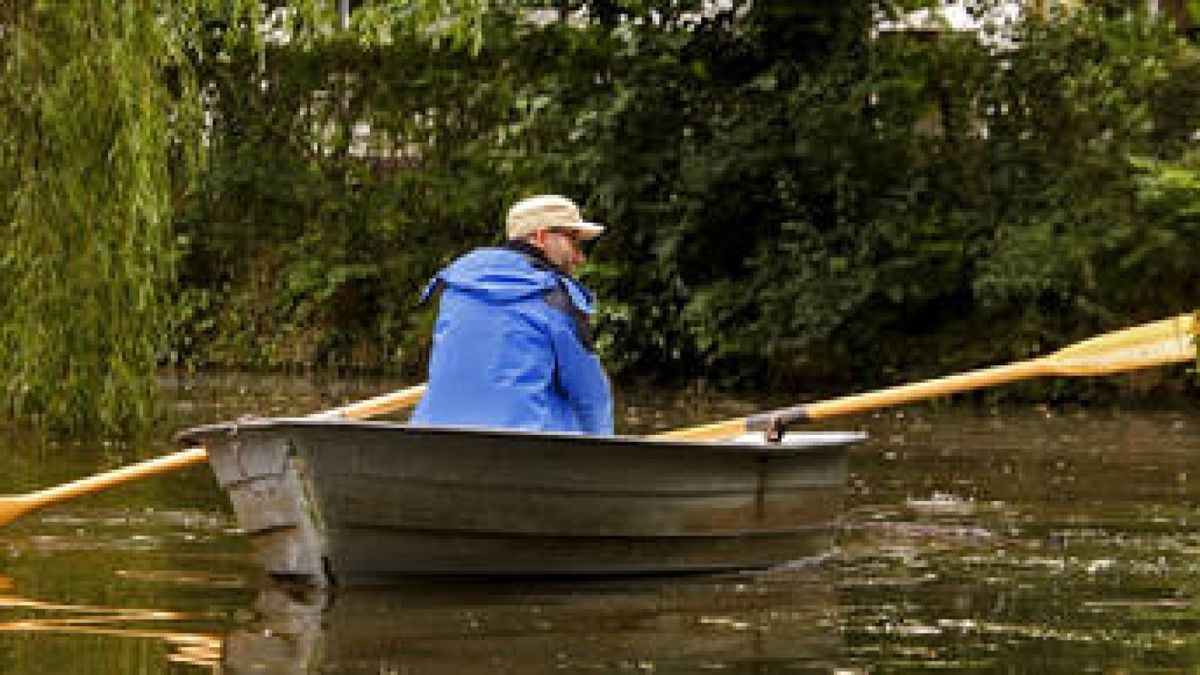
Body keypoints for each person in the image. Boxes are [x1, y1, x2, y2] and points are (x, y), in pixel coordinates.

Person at [409, 195, 614, 435]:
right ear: (541, 237)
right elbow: (590, 395)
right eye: (574, 241)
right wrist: (604, 456)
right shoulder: (556, 296)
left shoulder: (456, 288)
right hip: (522, 450)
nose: (580, 257)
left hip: (431, 439)